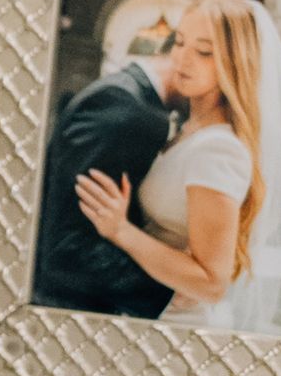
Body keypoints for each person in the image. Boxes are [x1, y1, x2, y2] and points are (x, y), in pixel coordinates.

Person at [72, 0, 274, 330]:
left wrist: (121, 231)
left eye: (204, 52)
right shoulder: (186, 129)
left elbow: (212, 283)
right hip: (143, 310)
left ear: (236, 62)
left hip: (174, 324)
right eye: (179, 43)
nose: (182, 59)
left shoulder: (218, 150)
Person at [31, 35, 179, 317]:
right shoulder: (123, 108)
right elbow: (68, 248)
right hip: (66, 309)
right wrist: (164, 289)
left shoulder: (128, 97)